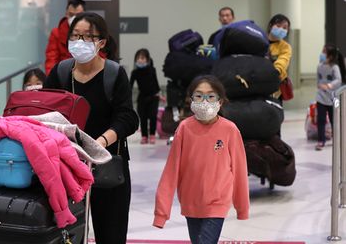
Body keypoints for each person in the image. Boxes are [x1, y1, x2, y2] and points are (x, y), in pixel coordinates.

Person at [44, 12, 139, 243]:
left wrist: (101, 142)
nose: (79, 42)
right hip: (66, 167)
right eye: (75, 36)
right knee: (68, 235)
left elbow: (128, 117)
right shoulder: (60, 73)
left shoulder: (114, 74)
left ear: (101, 42)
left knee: (111, 233)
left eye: (87, 37)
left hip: (106, 164)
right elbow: (44, 114)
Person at [153, 75, 249, 244]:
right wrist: (161, 213)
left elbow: (240, 170)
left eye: (211, 96)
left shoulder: (230, 130)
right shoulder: (184, 128)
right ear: (190, 99)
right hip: (191, 204)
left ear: (220, 101)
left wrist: (242, 208)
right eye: (199, 96)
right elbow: (171, 171)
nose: (204, 101)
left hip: (217, 203)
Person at [315, 44, 346, 150]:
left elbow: (338, 80)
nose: (322, 54)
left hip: (334, 98)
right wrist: (319, 87)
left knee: (335, 119)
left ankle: (337, 138)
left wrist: (328, 85)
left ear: (331, 56)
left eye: (324, 52)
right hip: (321, 98)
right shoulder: (319, 66)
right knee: (321, 120)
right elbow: (318, 80)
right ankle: (321, 140)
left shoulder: (335, 67)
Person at [44, 0, 86, 75]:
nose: (74, 18)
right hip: (63, 74)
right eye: (71, 14)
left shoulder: (90, 33)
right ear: (66, 14)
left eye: (78, 15)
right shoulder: (56, 33)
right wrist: (52, 79)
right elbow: (51, 59)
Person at [130, 48, 161, 145]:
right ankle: (144, 136)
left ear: (147, 60)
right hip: (142, 97)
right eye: (138, 58)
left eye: (142, 58)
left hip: (153, 97)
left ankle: (152, 134)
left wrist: (158, 93)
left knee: (152, 116)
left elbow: (155, 83)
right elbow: (129, 86)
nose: (140, 60)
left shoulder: (152, 70)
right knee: (142, 117)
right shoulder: (134, 72)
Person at [266, 14, 292, 102]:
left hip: (276, 85)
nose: (281, 29)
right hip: (259, 83)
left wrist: (276, 71)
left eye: (285, 27)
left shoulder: (285, 46)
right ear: (270, 26)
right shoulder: (259, 40)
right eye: (278, 26)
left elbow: (283, 61)